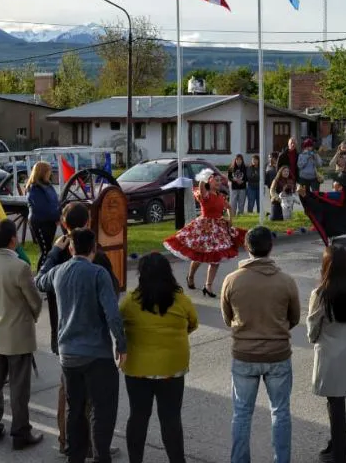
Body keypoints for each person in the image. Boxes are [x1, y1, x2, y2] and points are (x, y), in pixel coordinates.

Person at [37, 202, 122, 456]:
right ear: (87, 223)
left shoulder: (56, 255)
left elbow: (41, 280)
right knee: (96, 403)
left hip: (63, 334)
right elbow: (112, 296)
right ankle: (95, 448)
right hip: (94, 343)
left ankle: (69, 443)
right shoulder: (97, 258)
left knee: (71, 398)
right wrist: (121, 342)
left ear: (65, 225)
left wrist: (53, 252)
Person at [220, 226, 301, 463]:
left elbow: (227, 317)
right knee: (281, 412)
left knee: (242, 413)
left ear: (247, 248)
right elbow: (294, 317)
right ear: (271, 247)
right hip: (278, 354)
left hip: (244, 354)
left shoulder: (232, 280)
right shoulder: (286, 281)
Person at [119, 253, 198, 463]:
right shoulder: (181, 299)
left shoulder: (130, 302)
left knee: (138, 416)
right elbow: (193, 323)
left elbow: (119, 325)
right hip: (172, 368)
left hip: (137, 369)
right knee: (171, 418)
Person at [0, 219, 44, 449]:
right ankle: (20, 432)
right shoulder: (20, 267)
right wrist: (33, 315)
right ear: (13, 240)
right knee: (18, 387)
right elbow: (35, 301)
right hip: (18, 333)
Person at [307, 246, 346, 463]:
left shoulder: (320, 293)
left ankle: (338, 452)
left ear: (326, 266)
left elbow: (313, 323)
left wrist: (314, 339)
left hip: (330, 350)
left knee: (334, 402)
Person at [165, 169, 247, 298]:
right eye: (216, 180)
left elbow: (229, 208)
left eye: (220, 180)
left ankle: (208, 285)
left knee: (216, 257)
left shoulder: (220, 196)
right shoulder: (206, 194)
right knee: (199, 256)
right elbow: (202, 186)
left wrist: (230, 221)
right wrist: (205, 176)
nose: (219, 182)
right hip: (204, 228)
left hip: (218, 229)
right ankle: (190, 276)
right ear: (210, 180)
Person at [298, 172, 346, 264]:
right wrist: (307, 195)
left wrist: (305, 196)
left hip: (340, 244)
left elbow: (317, 207)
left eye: (335, 181)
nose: (333, 183)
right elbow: (323, 200)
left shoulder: (332, 201)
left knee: (336, 274)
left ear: (339, 186)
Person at [26, 160, 60, 265]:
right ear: (43, 172)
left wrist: (59, 214)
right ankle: (41, 274)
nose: (50, 173)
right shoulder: (34, 188)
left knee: (49, 249)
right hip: (41, 223)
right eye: (48, 171)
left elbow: (55, 203)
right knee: (46, 251)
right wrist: (56, 217)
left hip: (50, 222)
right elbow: (42, 208)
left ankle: (47, 273)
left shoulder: (48, 186)